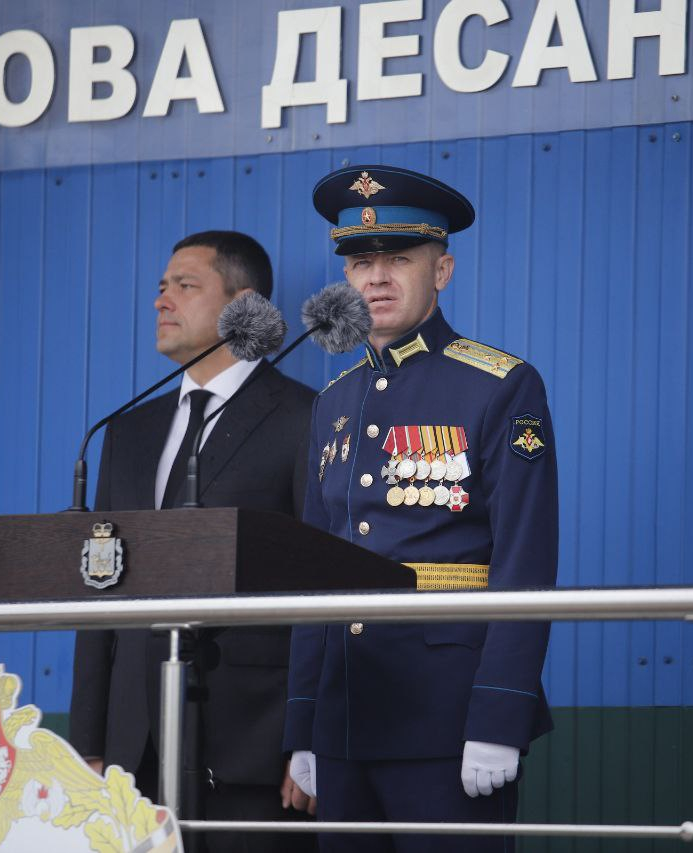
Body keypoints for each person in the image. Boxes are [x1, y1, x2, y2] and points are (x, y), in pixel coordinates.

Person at [283, 166, 560, 852]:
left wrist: (499, 713)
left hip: (449, 715)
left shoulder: (500, 385)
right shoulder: (333, 403)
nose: (375, 278)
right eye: (360, 261)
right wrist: (303, 723)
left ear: (443, 270)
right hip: (345, 720)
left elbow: (525, 559)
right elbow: (314, 571)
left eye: (398, 259)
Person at [70, 230, 318, 852]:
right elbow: (99, 592)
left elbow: (325, 586)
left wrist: (309, 736)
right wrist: (90, 744)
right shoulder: (124, 433)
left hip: (255, 748)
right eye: (160, 287)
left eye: (185, 286)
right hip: (133, 752)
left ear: (245, 306)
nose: (162, 301)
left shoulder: (306, 417)